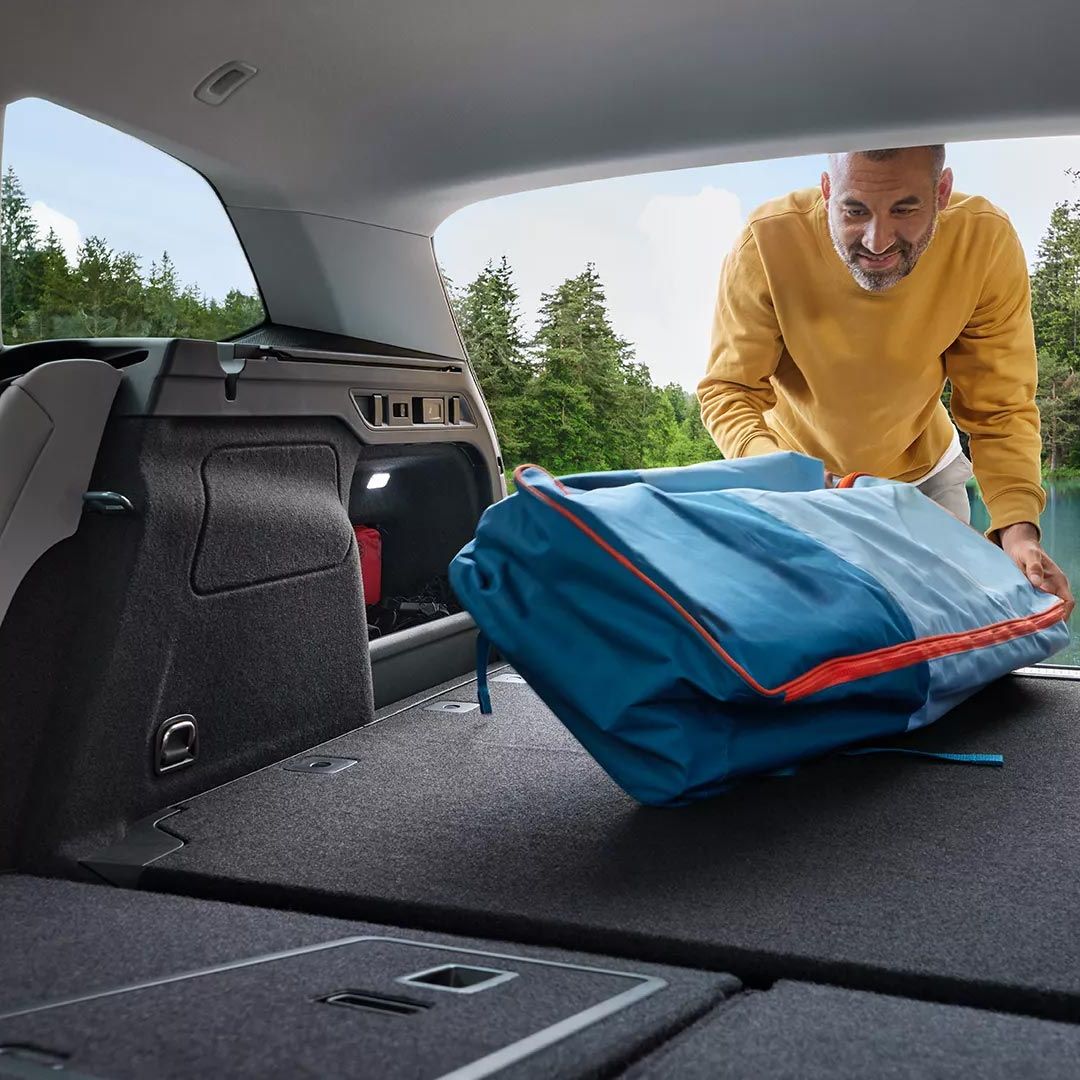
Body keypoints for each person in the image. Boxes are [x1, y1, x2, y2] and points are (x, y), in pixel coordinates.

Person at [699, 145, 1073, 617]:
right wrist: (791, 478)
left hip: (926, 478)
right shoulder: (766, 243)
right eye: (854, 211)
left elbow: (999, 408)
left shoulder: (983, 241)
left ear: (941, 192)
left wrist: (1018, 530)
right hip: (805, 488)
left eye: (905, 209)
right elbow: (728, 391)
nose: (877, 242)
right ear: (827, 189)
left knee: (947, 630)